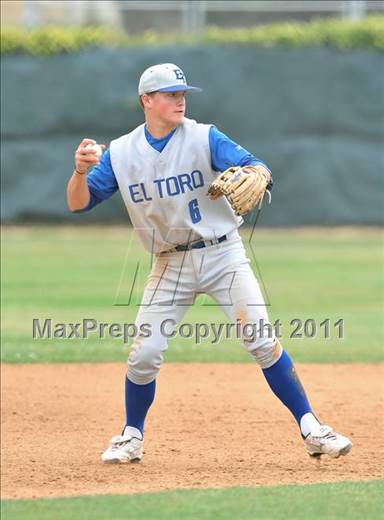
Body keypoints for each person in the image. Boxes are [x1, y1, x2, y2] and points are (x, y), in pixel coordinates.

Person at [67, 63, 352, 464]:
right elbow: (78, 203)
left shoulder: (204, 137)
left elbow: (257, 166)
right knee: (145, 353)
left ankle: (312, 428)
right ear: (147, 101)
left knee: (261, 339)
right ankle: (131, 436)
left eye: (183, 93)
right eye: (170, 94)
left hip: (223, 254)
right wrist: (80, 171)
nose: (180, 99)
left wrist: (259, 174)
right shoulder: (122, 152)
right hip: (168, 263)